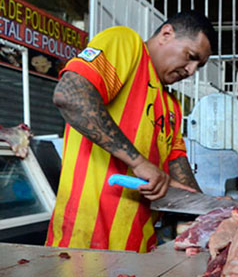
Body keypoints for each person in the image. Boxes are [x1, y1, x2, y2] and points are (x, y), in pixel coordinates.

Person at [45, 10, 216, 253]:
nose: (190, 70)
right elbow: (70, 96)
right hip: (84, 244)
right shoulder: (127, 45)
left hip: (141, 250)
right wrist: (138, 162)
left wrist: (209, 211)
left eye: (198, 66)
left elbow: (176, 163)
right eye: (190, 57)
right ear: (166, 34)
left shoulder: (171, 106)